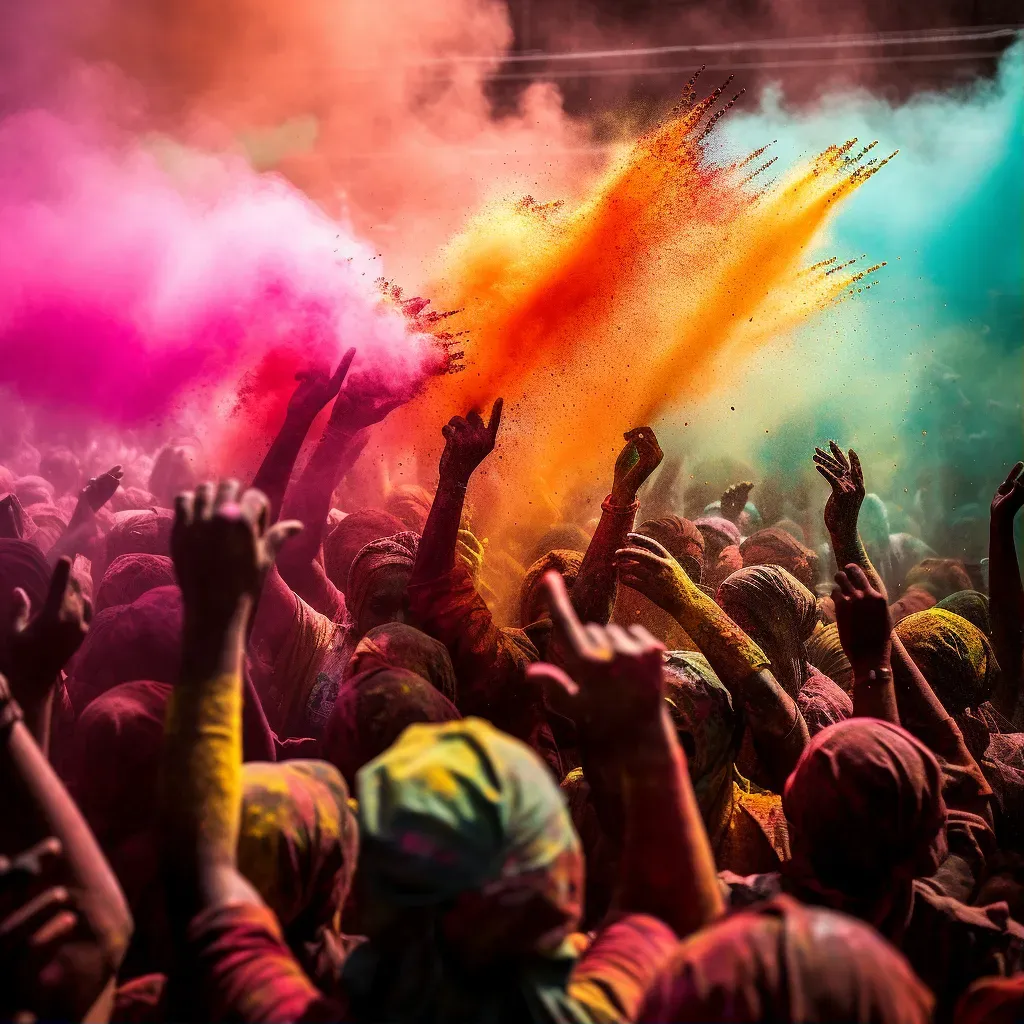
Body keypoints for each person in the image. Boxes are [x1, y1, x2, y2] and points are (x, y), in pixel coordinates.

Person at [157, 483, 723, 1022]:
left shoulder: (297, 1003)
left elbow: (207, 876)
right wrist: (646, 742)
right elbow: (663, 912)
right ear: (557, 875)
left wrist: (212, 625)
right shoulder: (592, 1006)